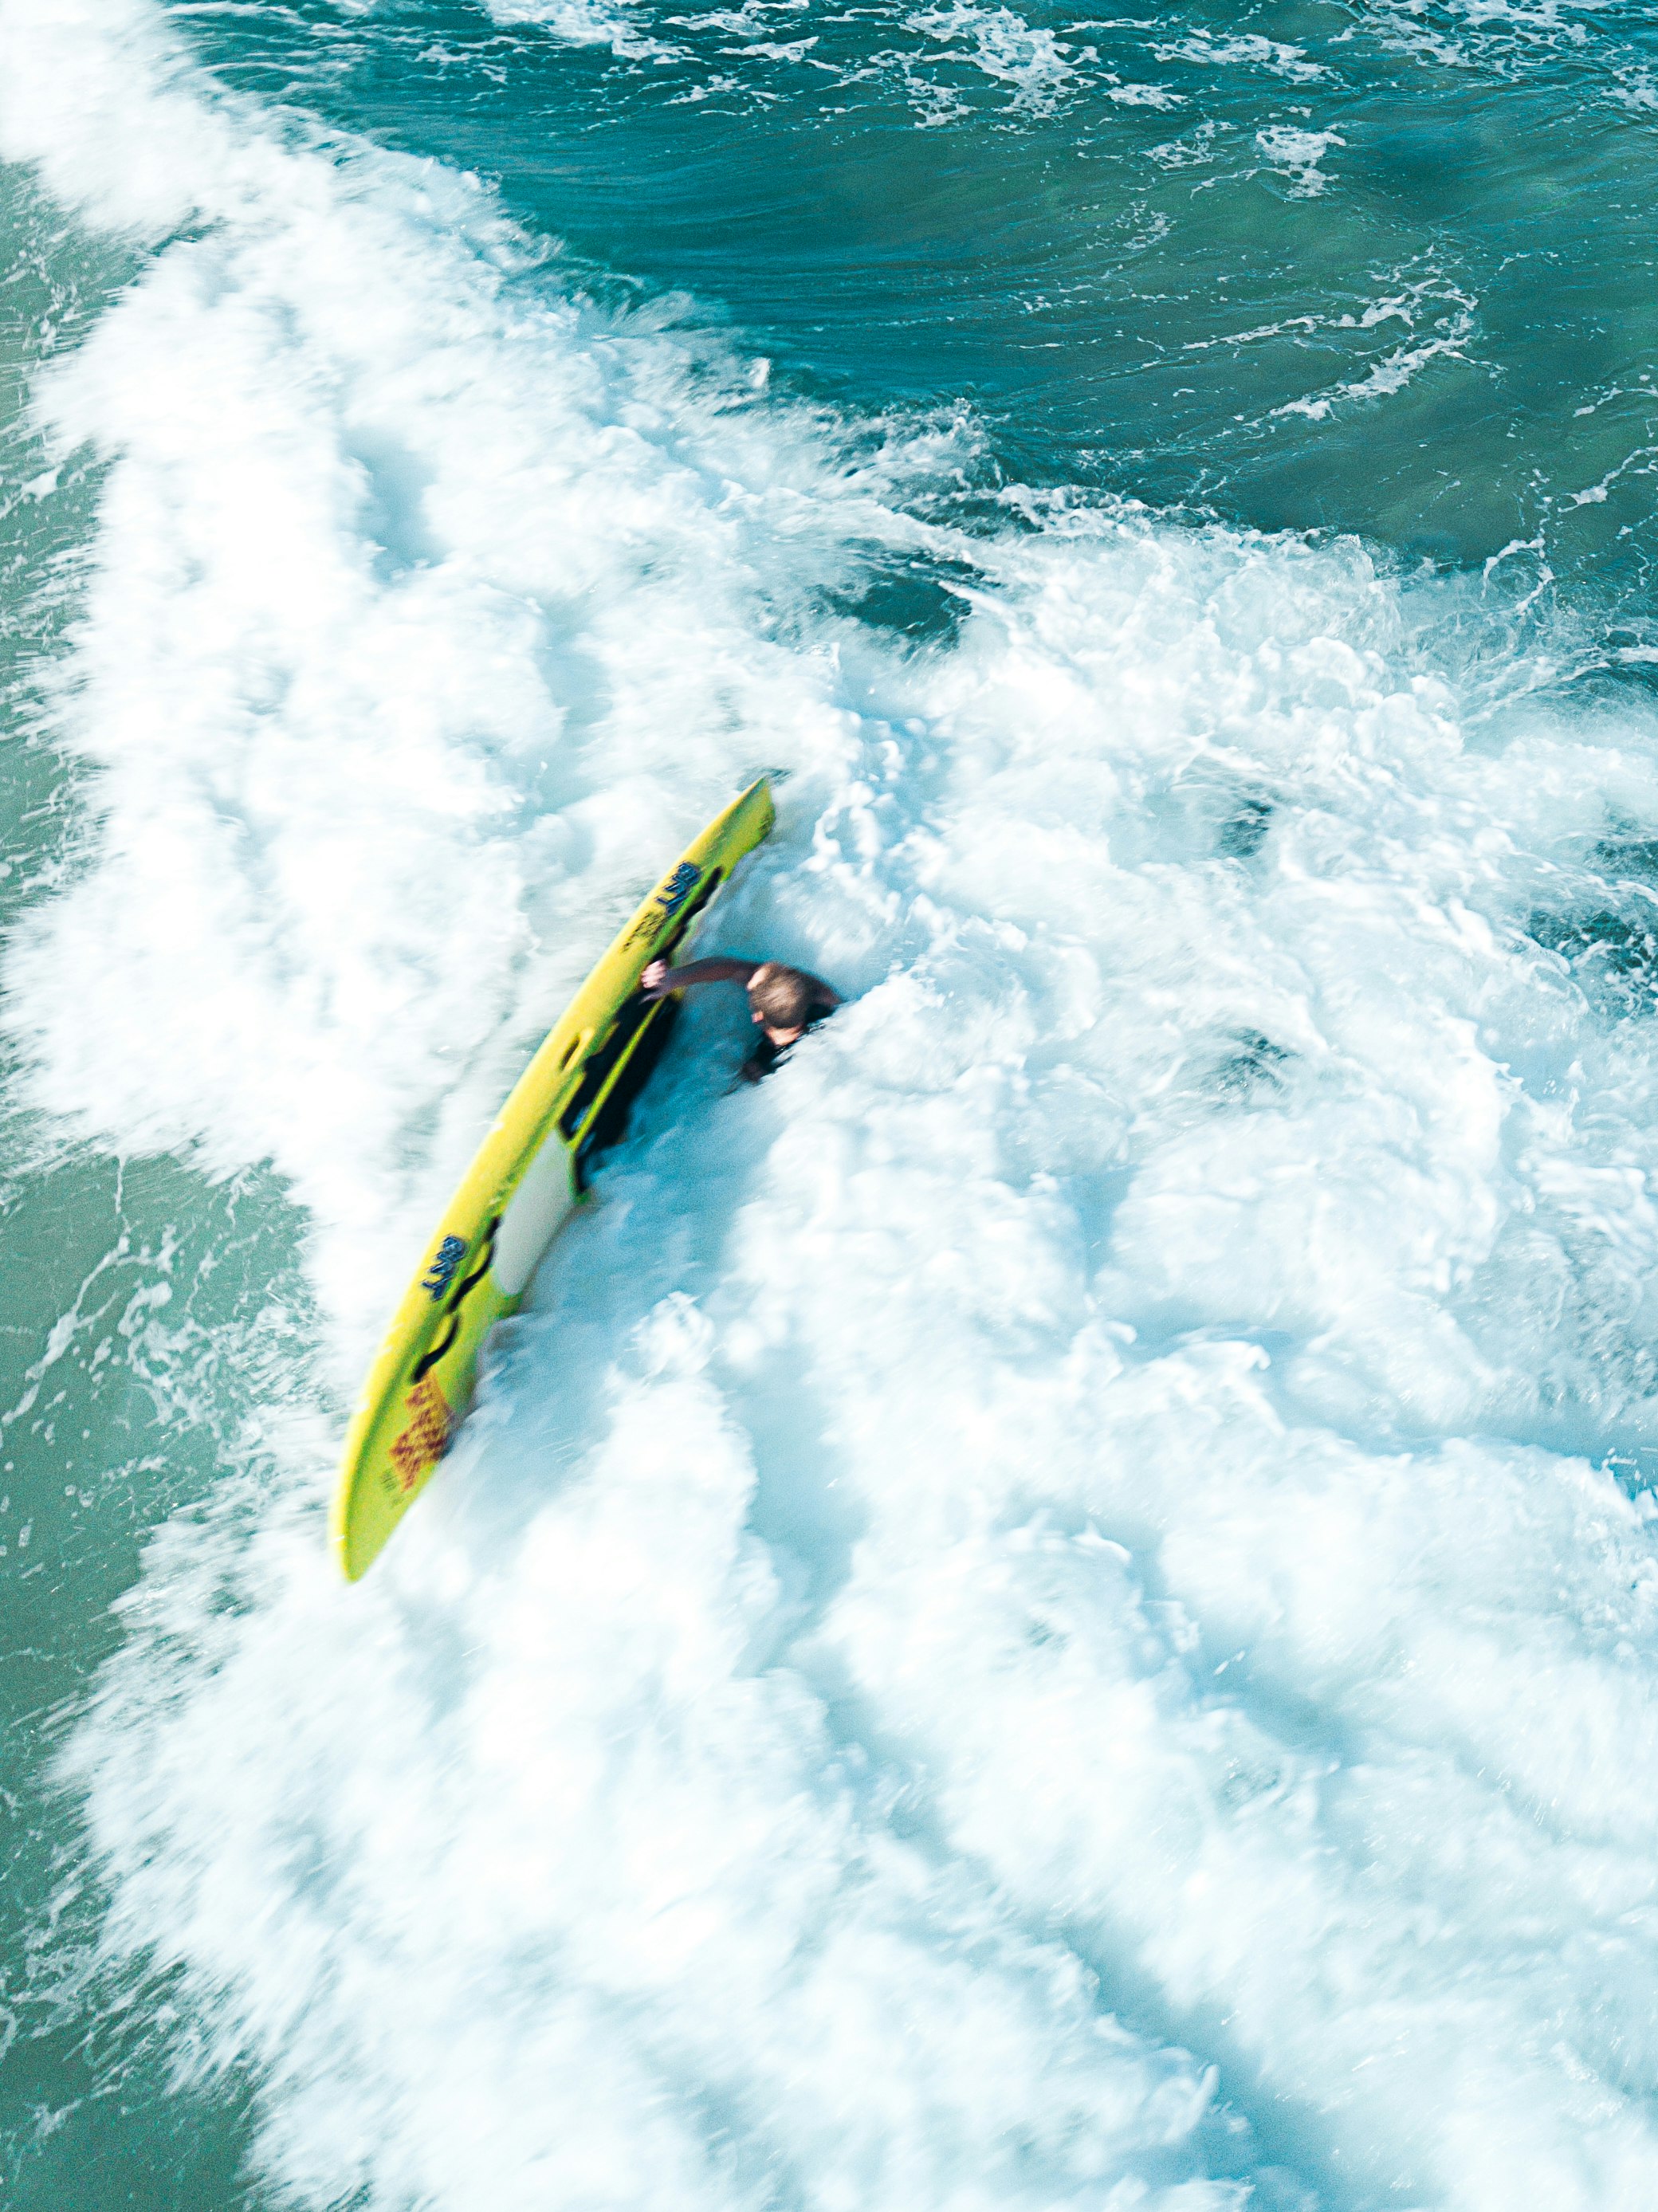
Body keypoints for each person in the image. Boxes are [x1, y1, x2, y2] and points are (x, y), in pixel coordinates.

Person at [641, 953, 841, 1082]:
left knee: (750, 1074)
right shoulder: (823, 997)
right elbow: (731, 967)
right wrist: (675, 977)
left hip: (789, 1060)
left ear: (757, 1017)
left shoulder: (790, 1063)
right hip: (793, 1036)